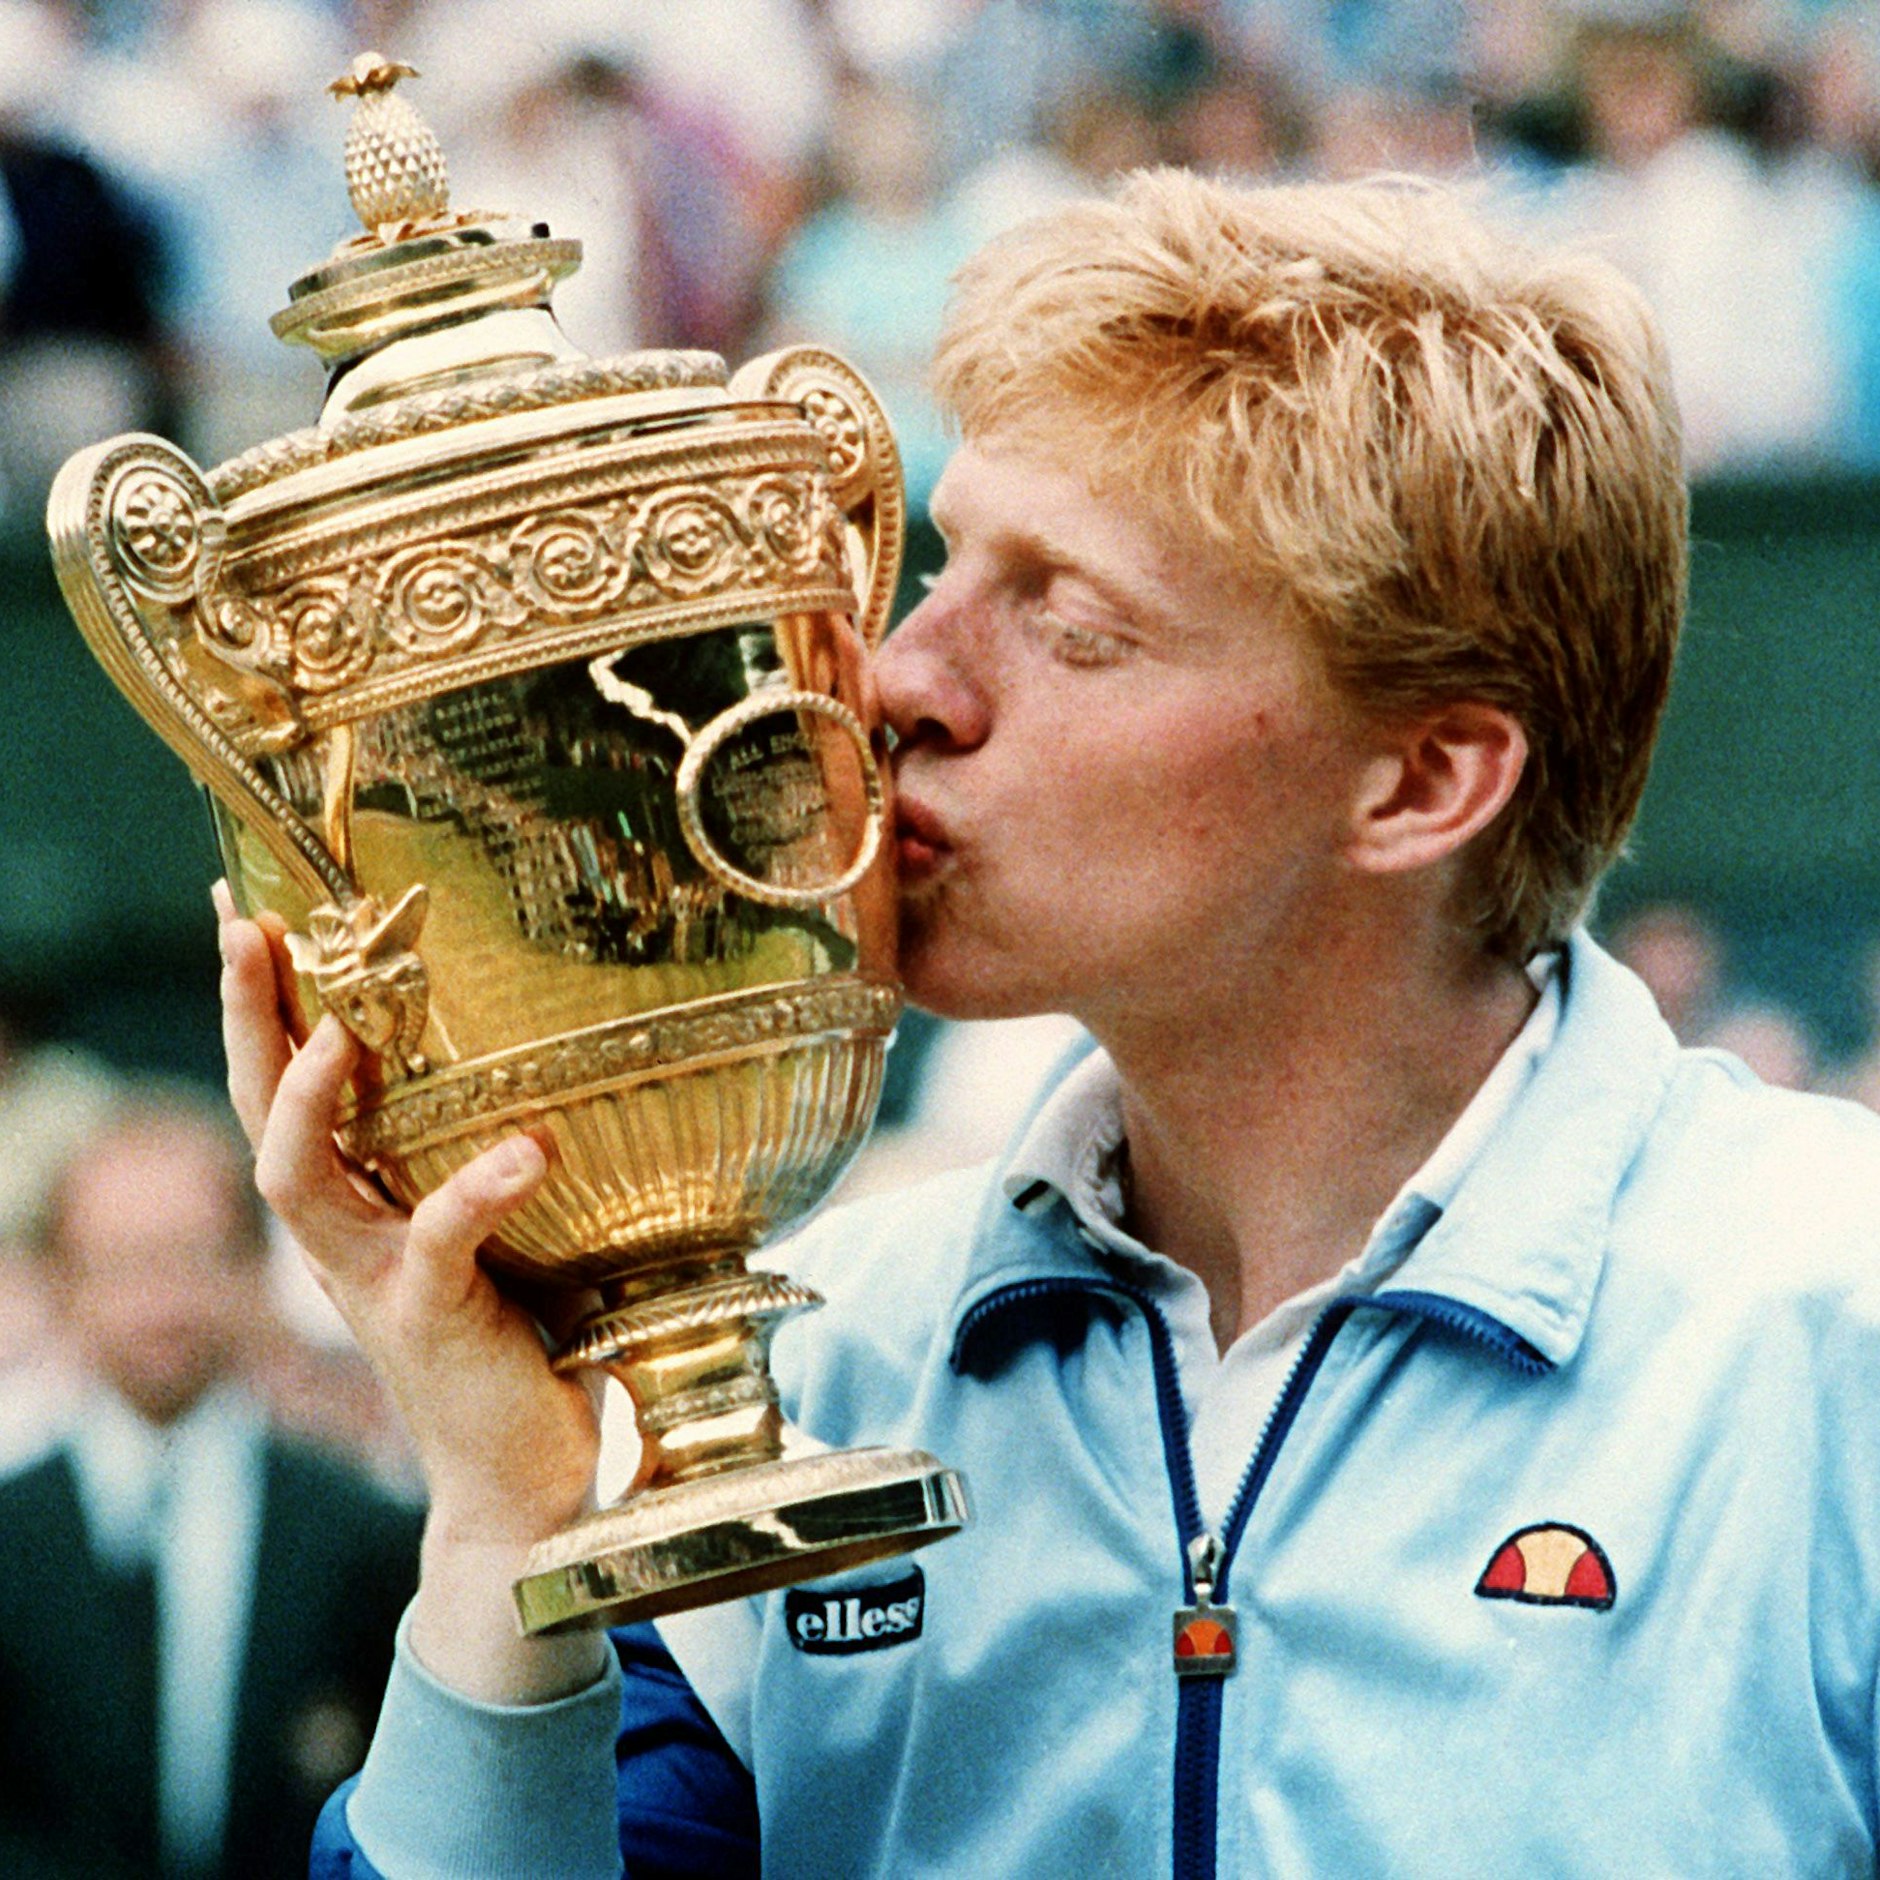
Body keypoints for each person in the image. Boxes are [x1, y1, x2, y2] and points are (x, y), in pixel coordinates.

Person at [219, 171, 1880, 1875]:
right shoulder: (827, 1364)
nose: (893, 680)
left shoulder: (1829, 1333)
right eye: (944, 569)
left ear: (1425, 780)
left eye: (1074, 625)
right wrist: (504, 1529)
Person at [0, 1085, 423, 1880]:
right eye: (121, 1264)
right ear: (59, 1278)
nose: (159, 1305)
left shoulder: (362, 1536)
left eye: (191, 1258)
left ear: (253, 1267)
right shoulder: (11, 1535)